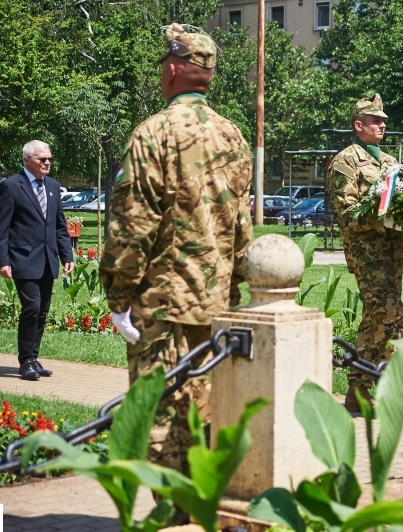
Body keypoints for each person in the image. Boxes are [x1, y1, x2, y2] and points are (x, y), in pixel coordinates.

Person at [99, 24, 253, 480]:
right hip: (215, 303)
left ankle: (172, 518)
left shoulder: (153, 134)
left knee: (162, 424)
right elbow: (243, 225)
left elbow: (134, 224)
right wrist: (233, 288)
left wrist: (119, 296)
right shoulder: (233, 135)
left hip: (162, 305)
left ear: (170, 70)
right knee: (206, 415)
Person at [326, 93, 403, 421]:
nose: (383, 124)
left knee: (374, 321)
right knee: (394, 319)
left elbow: (401, 200)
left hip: (392, 254)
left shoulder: (391, 162)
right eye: (376, 120)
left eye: (384, 120)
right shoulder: (345, 160)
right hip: (367, 256)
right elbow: (347, 213)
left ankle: (357, 392)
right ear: (358, 124)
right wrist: (381, 217)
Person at [0, 140, 75, 380]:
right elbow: (0, 228)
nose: (47, 162)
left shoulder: (52, 186)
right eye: (42, 159)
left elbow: (59, 225)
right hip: (23, 259)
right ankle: (25, 361)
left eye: (49, 158)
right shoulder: (11, 186)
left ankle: (34, 357)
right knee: (32, 307)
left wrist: (66, 254)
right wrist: (2, 261)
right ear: (27, 160)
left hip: (48, 260)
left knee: (42, 311)